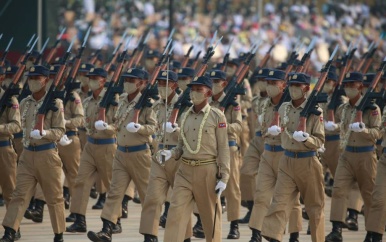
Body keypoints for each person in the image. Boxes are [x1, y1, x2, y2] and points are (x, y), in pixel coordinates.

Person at [87, 68, 157, 242]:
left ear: (141, 83)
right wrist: (106, 127)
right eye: (126, 79)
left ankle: (150, 235)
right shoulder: (123, 100)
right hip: (120, 153)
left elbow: (154, 127)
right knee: (114, 192)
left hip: (140, 153)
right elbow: (118, 125)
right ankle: (107, 229)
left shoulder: (148, 103)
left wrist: (140, 128)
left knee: (147, 196)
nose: (127, 83)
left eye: (131, 80)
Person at [0, 65, 66, 242]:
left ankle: (59, 234)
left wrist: (45, 133)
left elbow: (60, 130)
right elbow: (19, 125)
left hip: (47, 154)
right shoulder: (25, 102)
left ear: (45, 80)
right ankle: (10, 231)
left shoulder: (55, 103)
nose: (33, 81)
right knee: (19, 195)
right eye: (30, 78)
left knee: (54, 197)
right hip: (28, 155)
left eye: (37, 78)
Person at [163, 75, 230, 242]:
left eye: (199, 90)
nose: (194, 93)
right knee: (175, 213)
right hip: (184, 171)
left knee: (210, 218)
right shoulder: (185, 115)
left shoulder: (217, 116)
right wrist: (171, 153)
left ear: (208, 93)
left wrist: (225, 177)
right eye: (192, 89)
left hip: (207, 171)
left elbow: (223, 147)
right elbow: (181, 145)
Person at [261, 72, 325, 242]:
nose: (293, 88)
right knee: (279, 202)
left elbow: (319, 141)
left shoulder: (315, 110)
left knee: (314, 207)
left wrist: (307, 139)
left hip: (308, 161)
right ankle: (273, 236)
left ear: (306, 88)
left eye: (298, 85)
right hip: (287, 160)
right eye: (291, 85)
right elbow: (277, 129)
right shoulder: (284, 108)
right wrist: (272, 130)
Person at [325, 72, 381, 242]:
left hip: (365, 154)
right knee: (338, 190)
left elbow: (377, 133)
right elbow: (344, 127)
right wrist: (334, 127)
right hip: (346, 154)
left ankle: (372, 232)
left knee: (368, 194)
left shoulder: (372, 109)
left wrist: (363, 129)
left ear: (361, 87)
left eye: (353, 85)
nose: (349, 88)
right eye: (347, 85)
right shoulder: (344, 108)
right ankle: (336, 229)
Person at [249, 69, 302, 242]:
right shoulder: (266, 104)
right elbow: (263, 128)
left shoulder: (290, 105)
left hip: (285, 155)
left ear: (283, 85)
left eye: (274, 83)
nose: (270, 86)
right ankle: (256, 233)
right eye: (268, 82)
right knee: (261, 195)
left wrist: (282, 129)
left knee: (291, 199)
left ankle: (294, 234)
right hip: (268, 153)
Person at [139, 70, 192, 242]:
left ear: (174, 86)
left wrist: (176, 130)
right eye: (159, 83)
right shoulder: (156, 106)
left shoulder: (186, 106)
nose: (161, 87)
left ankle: (185, 237)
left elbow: (192, 135)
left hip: (178, 156)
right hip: (159, 155)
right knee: (153, 197)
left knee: (180, 202)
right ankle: (149, 235)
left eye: (165, 84)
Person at [66, 68, 118, 233]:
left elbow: (120, 124)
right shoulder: (87, 101)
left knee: (111, 185)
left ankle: (115, 222)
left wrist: (108, 127)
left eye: (95, 78)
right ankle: (79, 219)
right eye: (90, 78)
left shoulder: (113, 101)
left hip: (107, 144)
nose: (91, 81)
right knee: (81, 181)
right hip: (90, 145)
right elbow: (84, 122)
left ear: (103, 80)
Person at [208, 70, 242, 239]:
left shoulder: (232, 104)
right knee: (209, 186)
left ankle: (234, 225)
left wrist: (222, 126)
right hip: (210, 149)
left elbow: (238, 126)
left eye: (217, 81)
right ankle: (208, 223)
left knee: (232, 188)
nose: (214, 84)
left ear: (223, 83)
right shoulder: (206, 102)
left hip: (228, 148)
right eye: (211, 81)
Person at [239, 68, 270, 224]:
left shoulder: (278, 101)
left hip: (273, 141)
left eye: (267, 81)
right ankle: (251, 208)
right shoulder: (256, 100)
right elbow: (253, 121)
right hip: (257, 139)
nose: (263, 84)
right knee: (245, 172)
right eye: (261, 80)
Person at [0, 66, 21, 208]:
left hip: (3, 148)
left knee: (10, 190)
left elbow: (16, 126)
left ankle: (13, 227)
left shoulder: (9, 100)